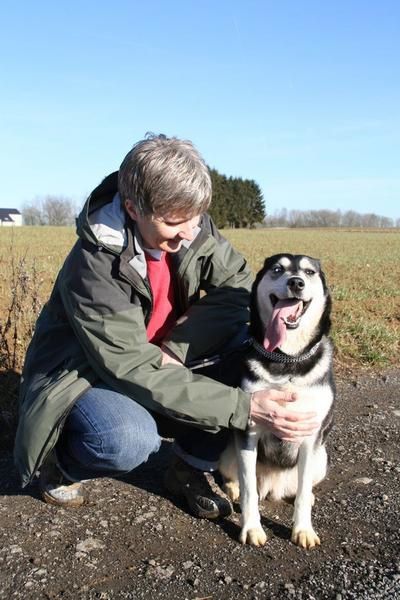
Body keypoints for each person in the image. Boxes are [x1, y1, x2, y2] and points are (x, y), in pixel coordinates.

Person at [14, 134, 319, 518]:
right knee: (125, 438)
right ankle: (62, 463)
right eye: (175, 222)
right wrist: (244, 409)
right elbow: (131, 366)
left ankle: (188, 466)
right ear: (133, 208)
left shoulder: (189, 223)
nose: (189, 232)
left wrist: (177, 348)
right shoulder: (93, 267)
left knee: (247, 350)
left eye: (195, 219)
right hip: (87, 375)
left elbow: (241, 286)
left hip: (161, 359)